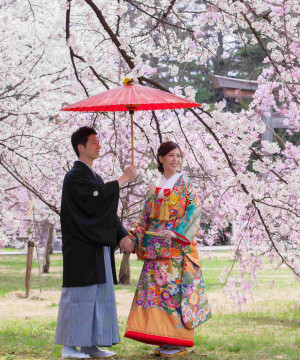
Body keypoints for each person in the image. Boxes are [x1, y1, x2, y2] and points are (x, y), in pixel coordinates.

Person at [55, 126, 136, 359]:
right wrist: (124, 178)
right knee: (79, 295)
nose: (98, 145)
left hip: (97, 247)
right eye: (93, 142)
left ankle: (91, 344)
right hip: (80, 247)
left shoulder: (94, 177)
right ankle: (69, 347)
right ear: (80, 147)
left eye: (98, 141)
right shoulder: (74, 177)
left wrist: (122, 235)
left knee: (98, 295)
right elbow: (95, 201)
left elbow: (106, 210)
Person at [124, 141, 211, 357]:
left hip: (174, 249)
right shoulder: (154, 185)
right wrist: (133, 237)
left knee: (172, 293)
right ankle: (163, 338)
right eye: (171, 155)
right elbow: (145, 216)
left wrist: (177, 232)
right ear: (161, 158)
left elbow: (194, 209)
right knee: (156, 293)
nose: (175, 160)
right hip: (155, 248)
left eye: (178, 156)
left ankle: (178, 341)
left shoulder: (185, 183)